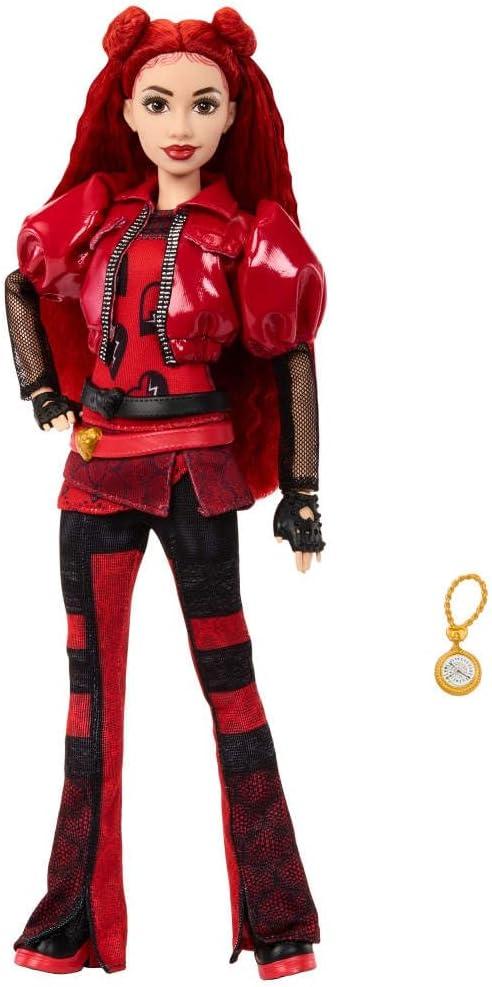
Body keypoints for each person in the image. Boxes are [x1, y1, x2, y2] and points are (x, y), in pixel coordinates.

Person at [5, 6, 326, 978]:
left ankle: (278, 915)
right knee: (89, 696)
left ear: (233, 114)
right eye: (158, 103)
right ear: (127, 112)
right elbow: (20, 284)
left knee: (232, 687)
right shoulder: (96, 212)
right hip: (99, 470)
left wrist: (302, 492)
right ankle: (71, 917)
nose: (180, 124)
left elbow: (292, 354)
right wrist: (42, 389)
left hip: (199, 476)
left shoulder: (249, 233)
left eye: (203, 104)